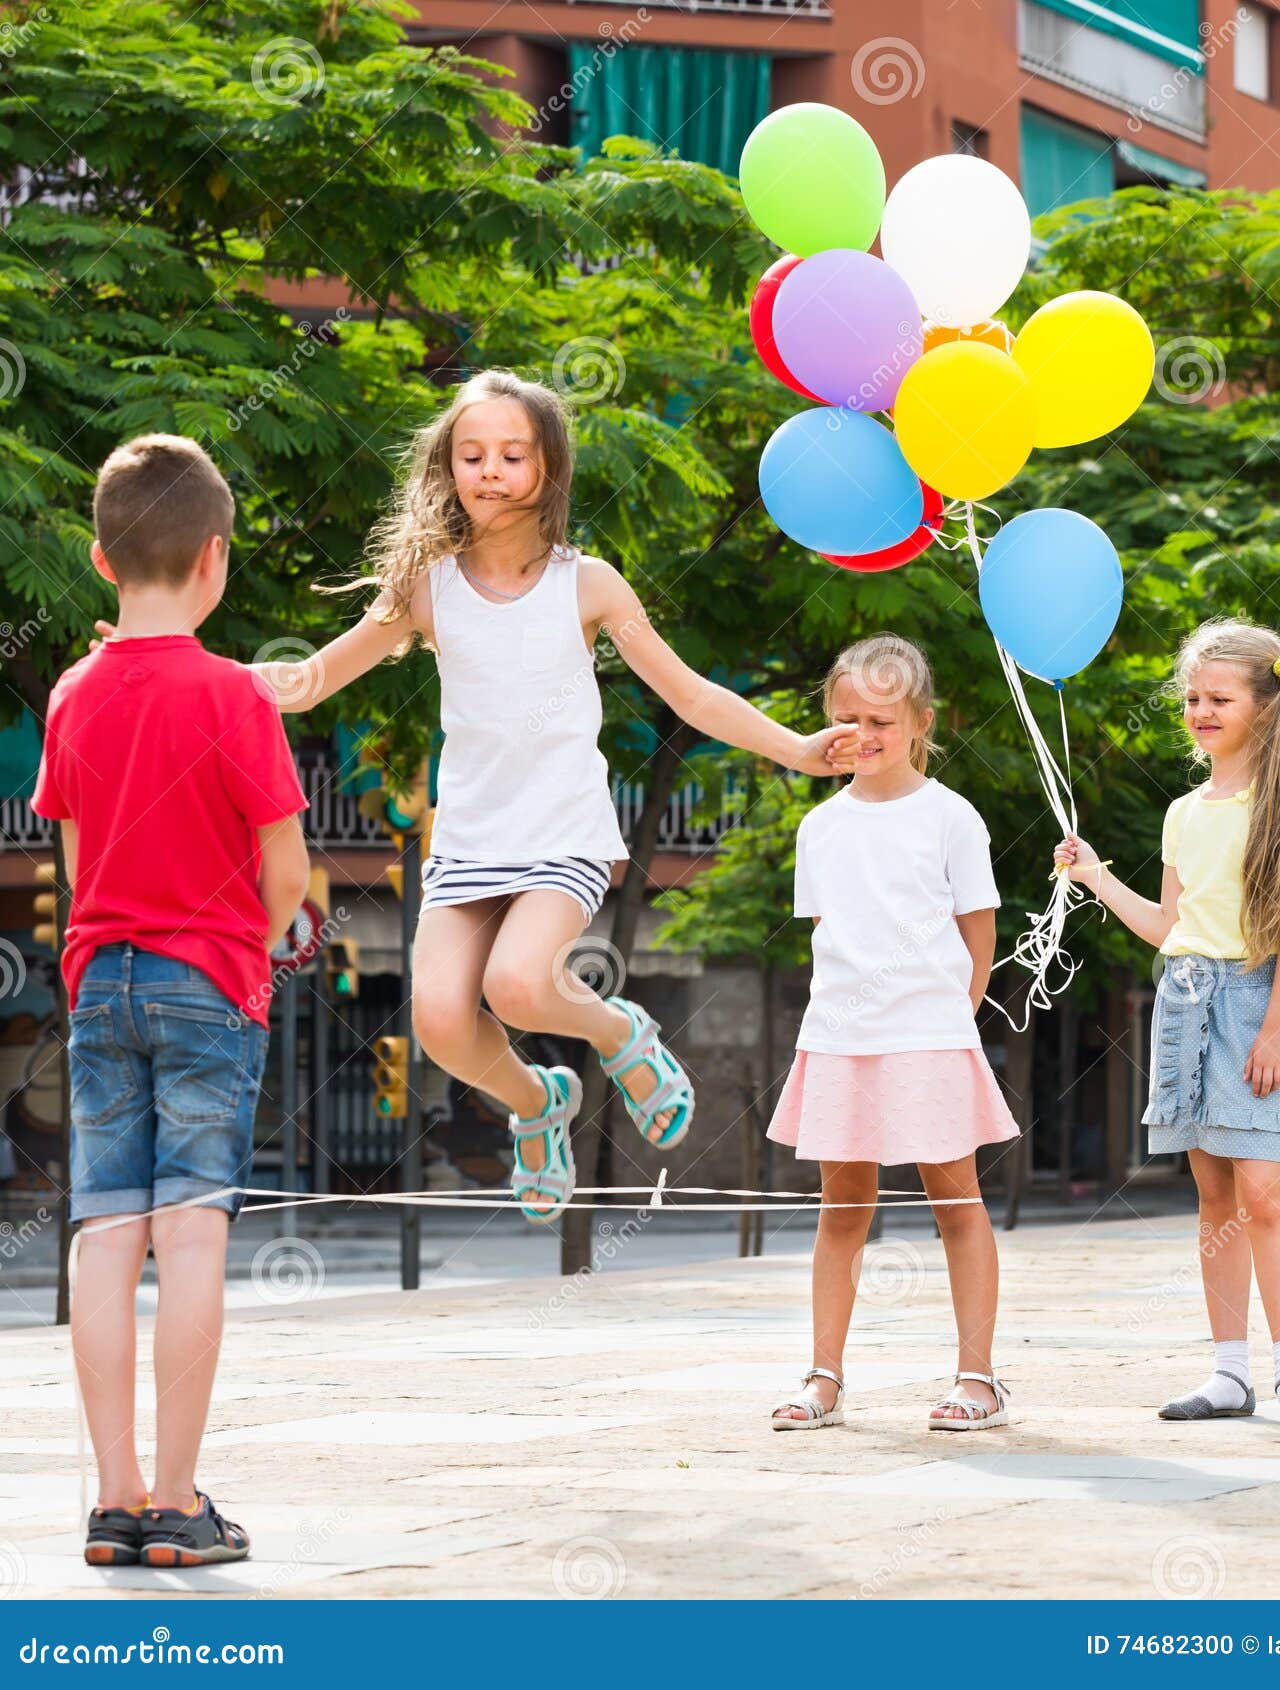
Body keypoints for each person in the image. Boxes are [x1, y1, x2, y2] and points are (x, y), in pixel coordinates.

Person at [120, 370, 858, 1222]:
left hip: (562, 836)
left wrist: (798, 748)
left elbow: (691, 695)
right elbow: (315, 678)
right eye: (472, 455)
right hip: (470, 841)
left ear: (548, 470)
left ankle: (621, 1034)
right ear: (448, 468)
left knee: (517, 986)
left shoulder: (589, 585)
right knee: (437, 1022)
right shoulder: (428, 589)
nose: (491, 470)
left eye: (513, 454)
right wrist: (189, 668)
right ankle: (539, 1103)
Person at [36, 434, 310, 1565]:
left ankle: (114, 1496)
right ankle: (181, 1505)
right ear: (215, 560)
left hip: (101, 984)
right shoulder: (238, 696)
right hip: (209, 982)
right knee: (191, 1235)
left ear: (102, 562)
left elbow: (71, 850)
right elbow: (285, 871)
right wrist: (249, 937)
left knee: (108, 1232)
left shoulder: (70, 695)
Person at [1055, 618, 1280, 1425]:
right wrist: (1096, 875)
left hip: (1253, 1003)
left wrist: (1277, 1028)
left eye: (1219, 698)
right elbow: (1167, 926)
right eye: (1192, 698)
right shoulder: (1183, 811)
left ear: (1265, 708)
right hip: (1182, 1001)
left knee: (1264, 1191)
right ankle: (1229, 1375)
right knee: (1214, 1198)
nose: (1200, 711)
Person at [767, 634, 1019, 1432]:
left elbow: (978, 935)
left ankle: (977, 1378)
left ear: (920, 722)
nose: (862, 736)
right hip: (840, 1036)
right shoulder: (820, 827)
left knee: (958, 1200)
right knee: (842, 1207)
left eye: (881, 719)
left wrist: (953, 1020)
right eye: (846, 719)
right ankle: (823, 1378)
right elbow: (830, 936)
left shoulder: (953, 816)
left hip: (931, 1035)